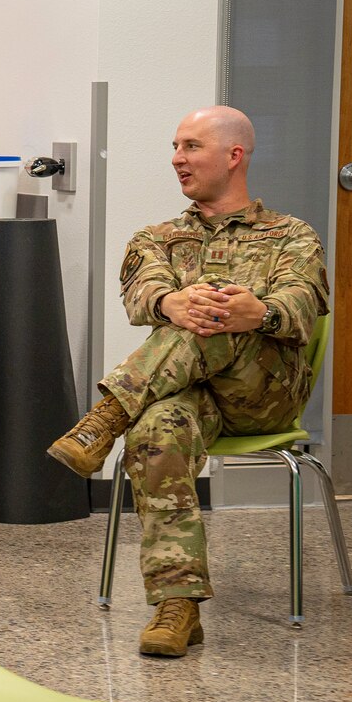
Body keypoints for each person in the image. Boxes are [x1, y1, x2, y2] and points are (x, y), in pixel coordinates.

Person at [47, 105, 329, 658]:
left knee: (216, 318)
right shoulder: (156, 238)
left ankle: (104, 419)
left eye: (192, 146)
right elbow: (141, 294)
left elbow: (304, 303)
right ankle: (178, 604)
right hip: (188, 395)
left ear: (234, 155)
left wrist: (258, 312)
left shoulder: (291, 235)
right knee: (156, 429)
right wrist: (174, 301)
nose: (178, 159)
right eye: (176, 147)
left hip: (262, 393)